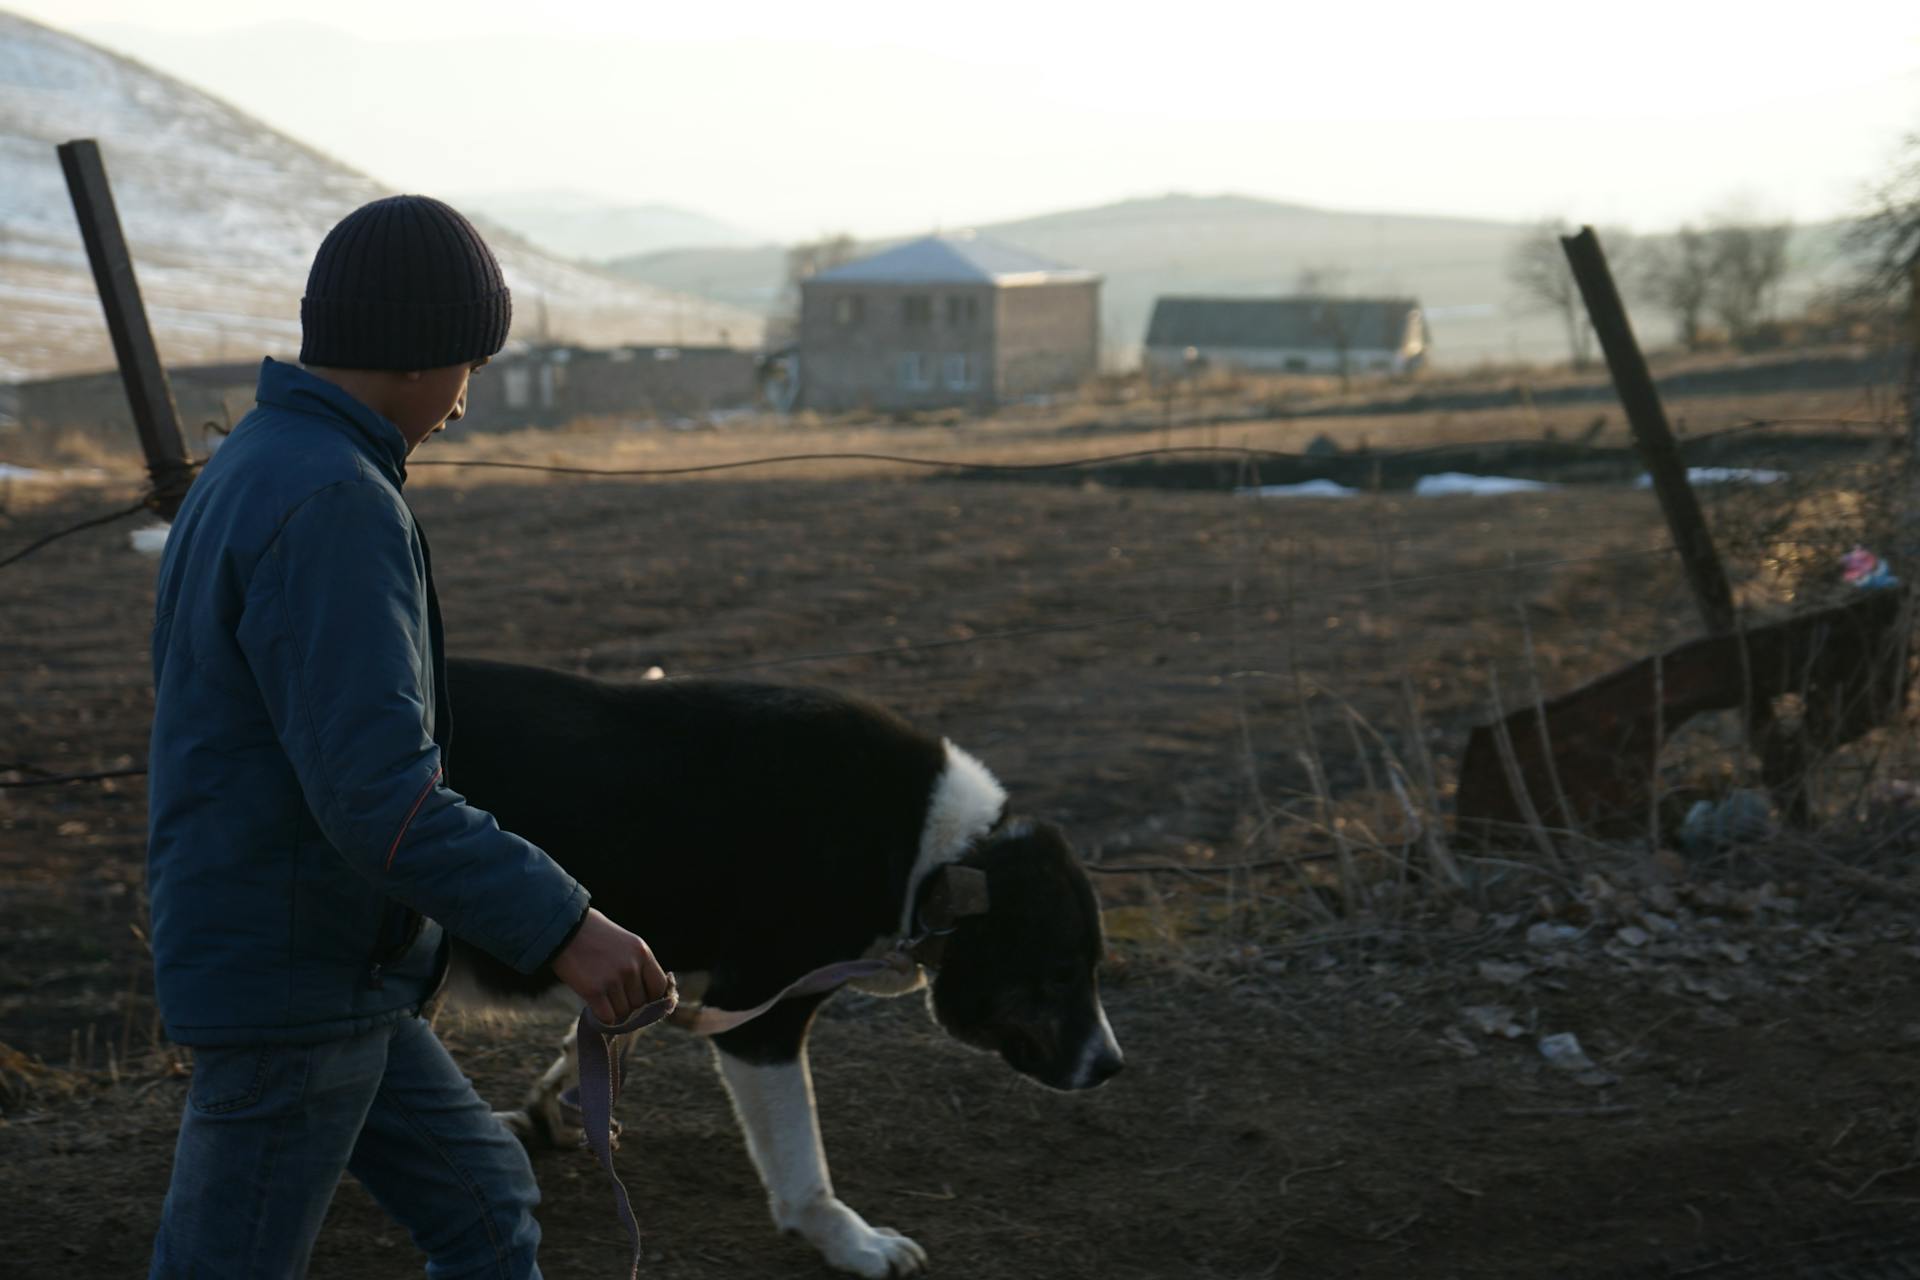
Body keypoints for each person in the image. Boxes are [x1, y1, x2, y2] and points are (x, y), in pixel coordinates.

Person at [145, 194, 669, 1279]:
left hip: (330, 961)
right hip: (293, 983)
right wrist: (567, 924)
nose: (467, 403)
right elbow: (378, 795)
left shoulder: (257, 460)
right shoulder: (333, 500)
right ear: (424, 348)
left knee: (488, 1208)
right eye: (471, 364)